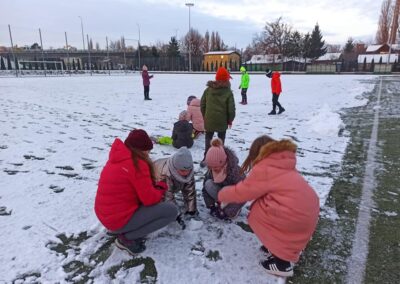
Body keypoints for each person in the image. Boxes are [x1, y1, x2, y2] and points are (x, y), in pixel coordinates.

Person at [218, 135, 320, 277]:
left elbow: (244, 192)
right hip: (307, 214)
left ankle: (282, 263)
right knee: (265, 204)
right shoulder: (283, 163)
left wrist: (222, 195)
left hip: (295, 217)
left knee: (256, 213)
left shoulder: (265, 168)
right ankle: (274, 247)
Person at [94, 129, 178, 255]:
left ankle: (120, 229)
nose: (149, 154)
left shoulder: (117, 158)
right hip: (117, 221)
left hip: (105, 217)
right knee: (171, 211)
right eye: (148, 150)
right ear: (142, 150)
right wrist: (160, 188)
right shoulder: (137, 165)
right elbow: (149, 200)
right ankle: (127, 238)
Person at [200, 66, 236, 167]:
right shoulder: (228, 92)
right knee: (221, 139)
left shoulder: (208, 90)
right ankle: (220, 157)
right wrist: (230, 120)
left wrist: (205, 116)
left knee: (208, 138)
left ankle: (206, 157)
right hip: (222, 121)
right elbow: (231, 109)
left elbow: (202, 104)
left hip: (209, 119)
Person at [202, 138, 245, 219]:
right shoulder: (211, 170)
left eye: (216, 167)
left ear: (224, 161)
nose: (213, 169)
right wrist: (211, 206)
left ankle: (232, 209)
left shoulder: (235, 172)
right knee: (208, 183)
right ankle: (221, 204)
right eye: (211, 167)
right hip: (223, 193)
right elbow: (205, 189)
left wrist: (228, 211)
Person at [154, 147, 197, 218]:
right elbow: (168, 195)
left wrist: (191, 209)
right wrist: (176, 213)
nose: (186, 173)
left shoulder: (188, 170)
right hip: (154, 181)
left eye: (188, 170)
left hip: (173, 182)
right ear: (175, 167)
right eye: (182, 171)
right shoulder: (165, 173)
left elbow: (190, 190)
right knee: (160, 199)